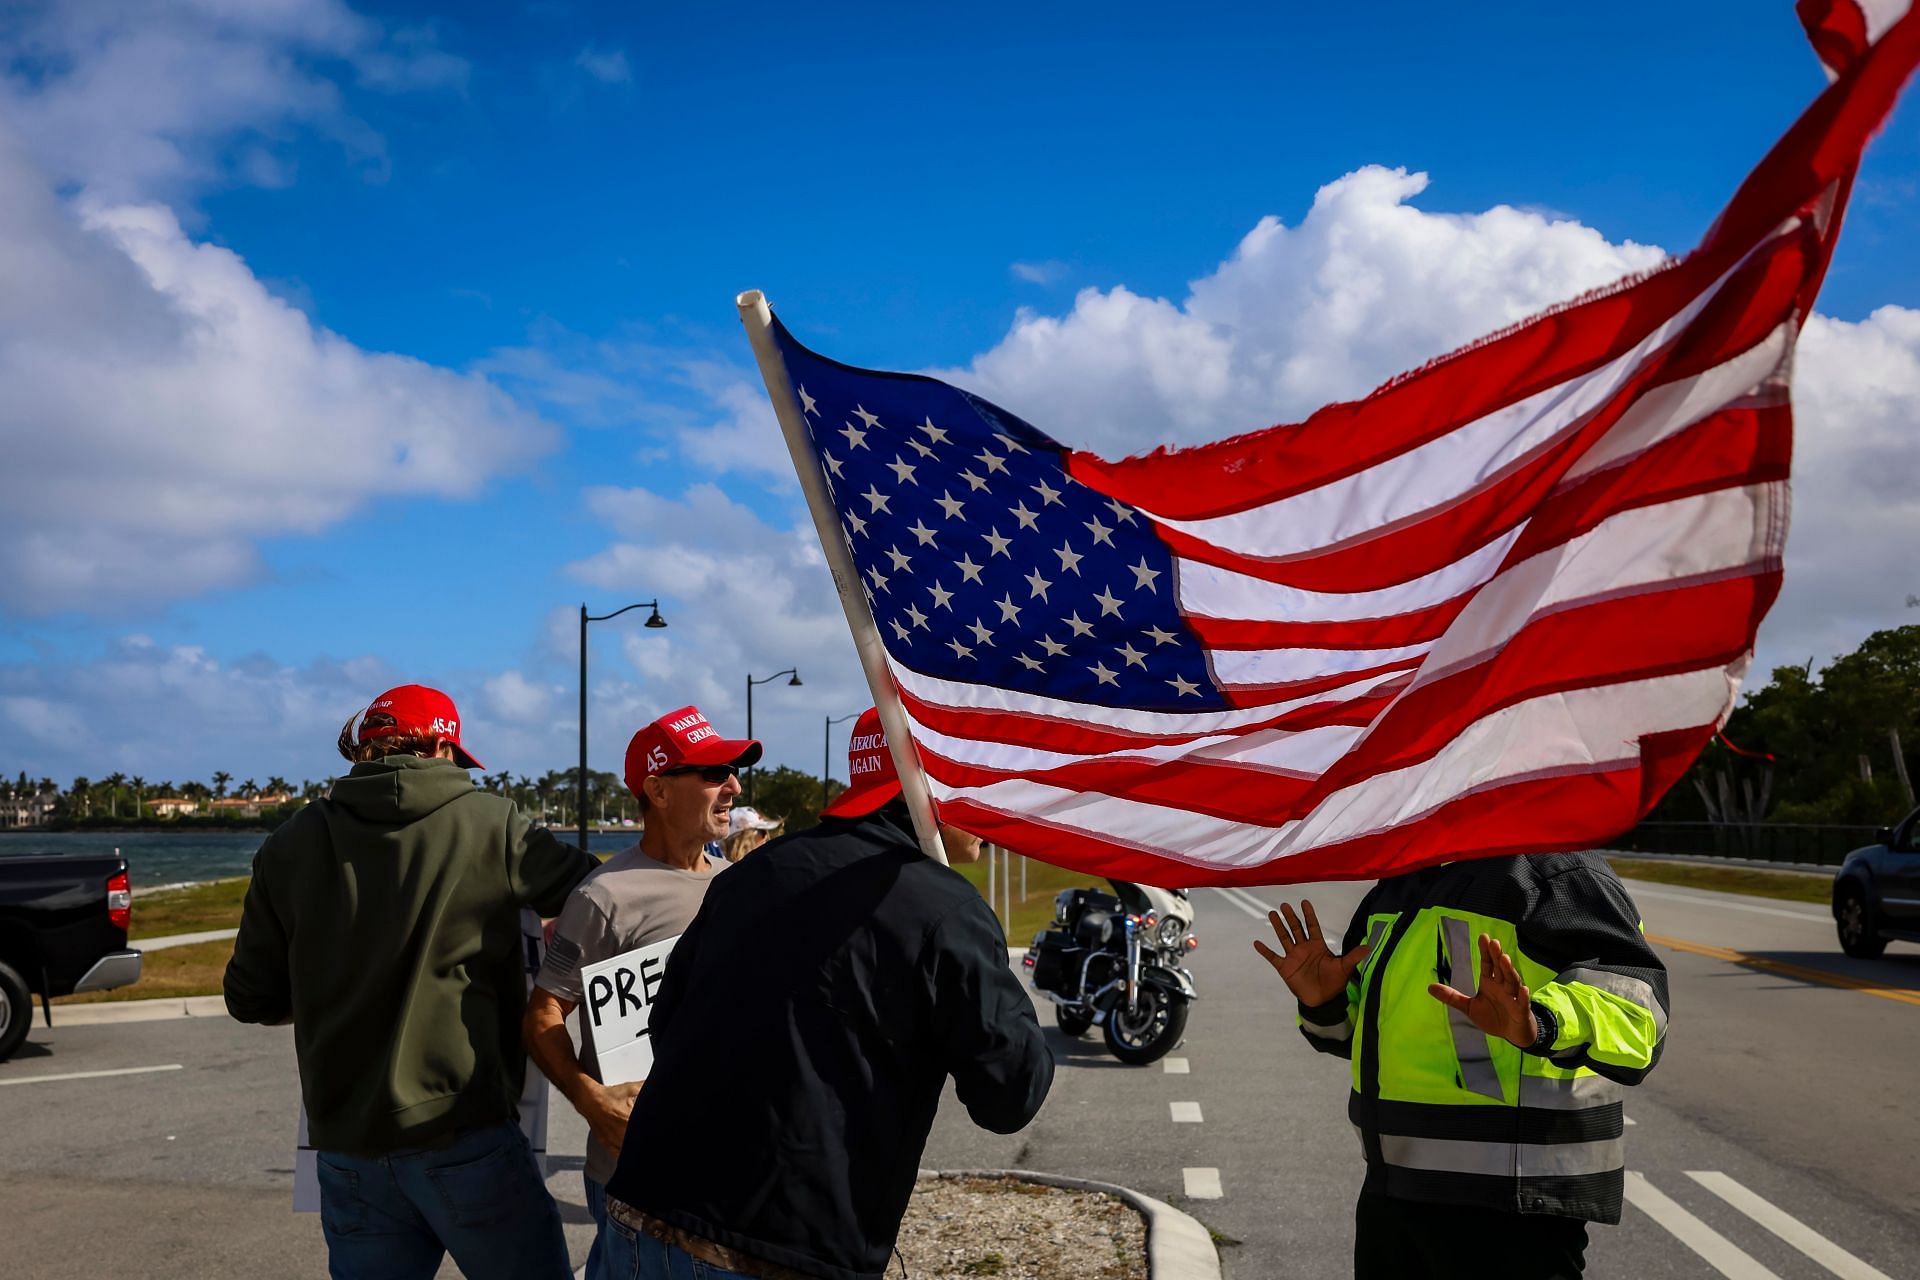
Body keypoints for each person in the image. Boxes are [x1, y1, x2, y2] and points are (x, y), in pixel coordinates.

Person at [600, 706, 1054, 1280]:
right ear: (932, 785)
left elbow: (667, 1025)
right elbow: (1010, 1096)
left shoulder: (750, 873)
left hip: (642, 1214)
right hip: (779, 1251)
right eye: (978, 782)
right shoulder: (948, 912)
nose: (993, 808)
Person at [224, 683, 599, 1280]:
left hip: (347, 1144)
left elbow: (249, 998)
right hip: (463, 1129)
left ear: (362, 752)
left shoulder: (288, 843)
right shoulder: (491, 823)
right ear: (446, 750)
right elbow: (602, 902)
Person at [1256, 853, 1669, 1280]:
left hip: (1512, 1205)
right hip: (1394, 1189)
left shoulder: (1557, 871)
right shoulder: (1402, 883)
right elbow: (1362, 1035)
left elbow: (1639, 1012)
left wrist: (1540, 1024)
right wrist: (1323, 1002)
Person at [522, 705, 759, 1279]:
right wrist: (588, 1100)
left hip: (732, 1175)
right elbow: (543, 1013)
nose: (733, 785)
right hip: (636, 1179)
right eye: (712, 773)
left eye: (731, 770)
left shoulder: (740, 884)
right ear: (657, 788)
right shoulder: (604, 896)